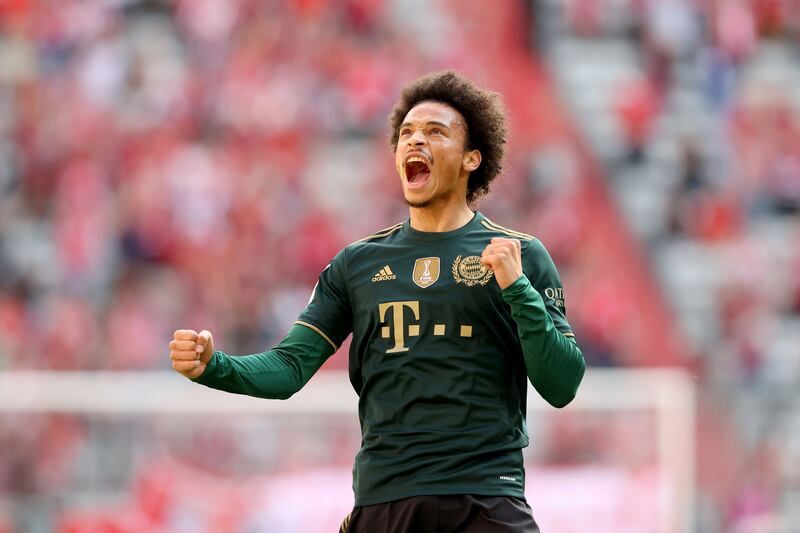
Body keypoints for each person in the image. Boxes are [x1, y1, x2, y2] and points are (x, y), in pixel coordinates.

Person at [168, 70, 586, 532]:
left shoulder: (520, 255)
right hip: (386, 503)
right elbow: (288, 370)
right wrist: (214, 366)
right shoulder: (357, 265)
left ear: (472, 158)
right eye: (406, 133)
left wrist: (517, 289)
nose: (414, 142)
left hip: (486, 499)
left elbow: (562, 384)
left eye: (434, 132)